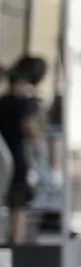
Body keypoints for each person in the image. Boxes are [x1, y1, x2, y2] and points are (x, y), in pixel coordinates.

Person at [0, 55, 48, 244]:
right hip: (15, 159)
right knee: (18, 204)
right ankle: (15, 245)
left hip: (6, 158)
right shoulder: (25, 104)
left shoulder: (4, 100)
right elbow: (32, 131)